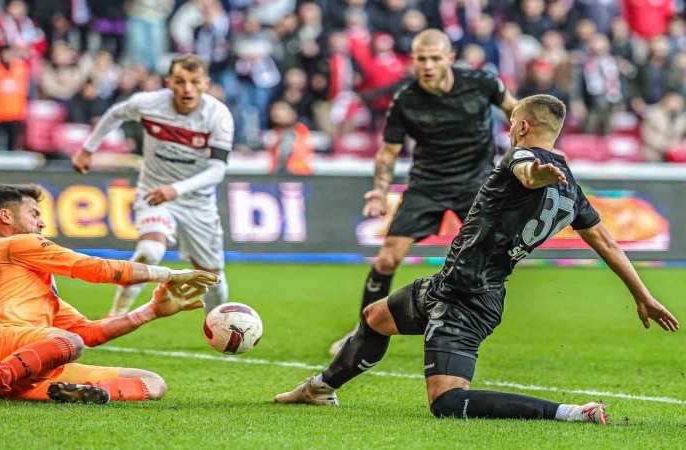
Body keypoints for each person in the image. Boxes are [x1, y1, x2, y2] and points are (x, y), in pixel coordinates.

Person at [274, 94, 680, 423]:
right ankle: (319, 389)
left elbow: (526, 171)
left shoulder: (519, 160)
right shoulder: (570, 190)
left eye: (511, 123)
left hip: (470, 299)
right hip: (448, 285)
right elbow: (608, 244)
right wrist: (643, 295)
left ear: (521, 126)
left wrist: (535, 176)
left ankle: (572, 413)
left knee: (448, 403)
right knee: (374, 318)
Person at [0, 184, 219, 408]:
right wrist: (167, 273)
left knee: (152, 383)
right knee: (68, 342)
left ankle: (81, 393)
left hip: (25, 365)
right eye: (34, 213)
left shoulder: (33, 286)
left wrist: (152, 311)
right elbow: (92, 268)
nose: (42, 223)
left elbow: (89, 332)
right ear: (6, 217)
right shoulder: (11, 244)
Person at [329, 29, 518, 355]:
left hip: (476, 184)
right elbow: (388, 152)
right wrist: (379, 190)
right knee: (387, 259)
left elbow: (518, 114)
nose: (428, 65)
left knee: (492, 258)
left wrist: (530, 152)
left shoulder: (482, 83)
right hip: (428, 185)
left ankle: (468, 323)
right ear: (413, 61)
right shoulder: (406, 100)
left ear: (449, 58)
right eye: (421, 59)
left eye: (434, 58)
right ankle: (364, 328)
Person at [72, 54, 234, 318]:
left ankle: (216, 326)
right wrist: (88, 149)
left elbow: (217, 170)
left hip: (197, 202)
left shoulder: (219, 116)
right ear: (169, 82)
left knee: (212, 278)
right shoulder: (148, 103)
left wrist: (176, 189)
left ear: (206, 83)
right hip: (154, 193)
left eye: (194, 82)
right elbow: (115, 114)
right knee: (149, 252)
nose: (187, 89)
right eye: (180, 81)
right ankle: (115, 315)